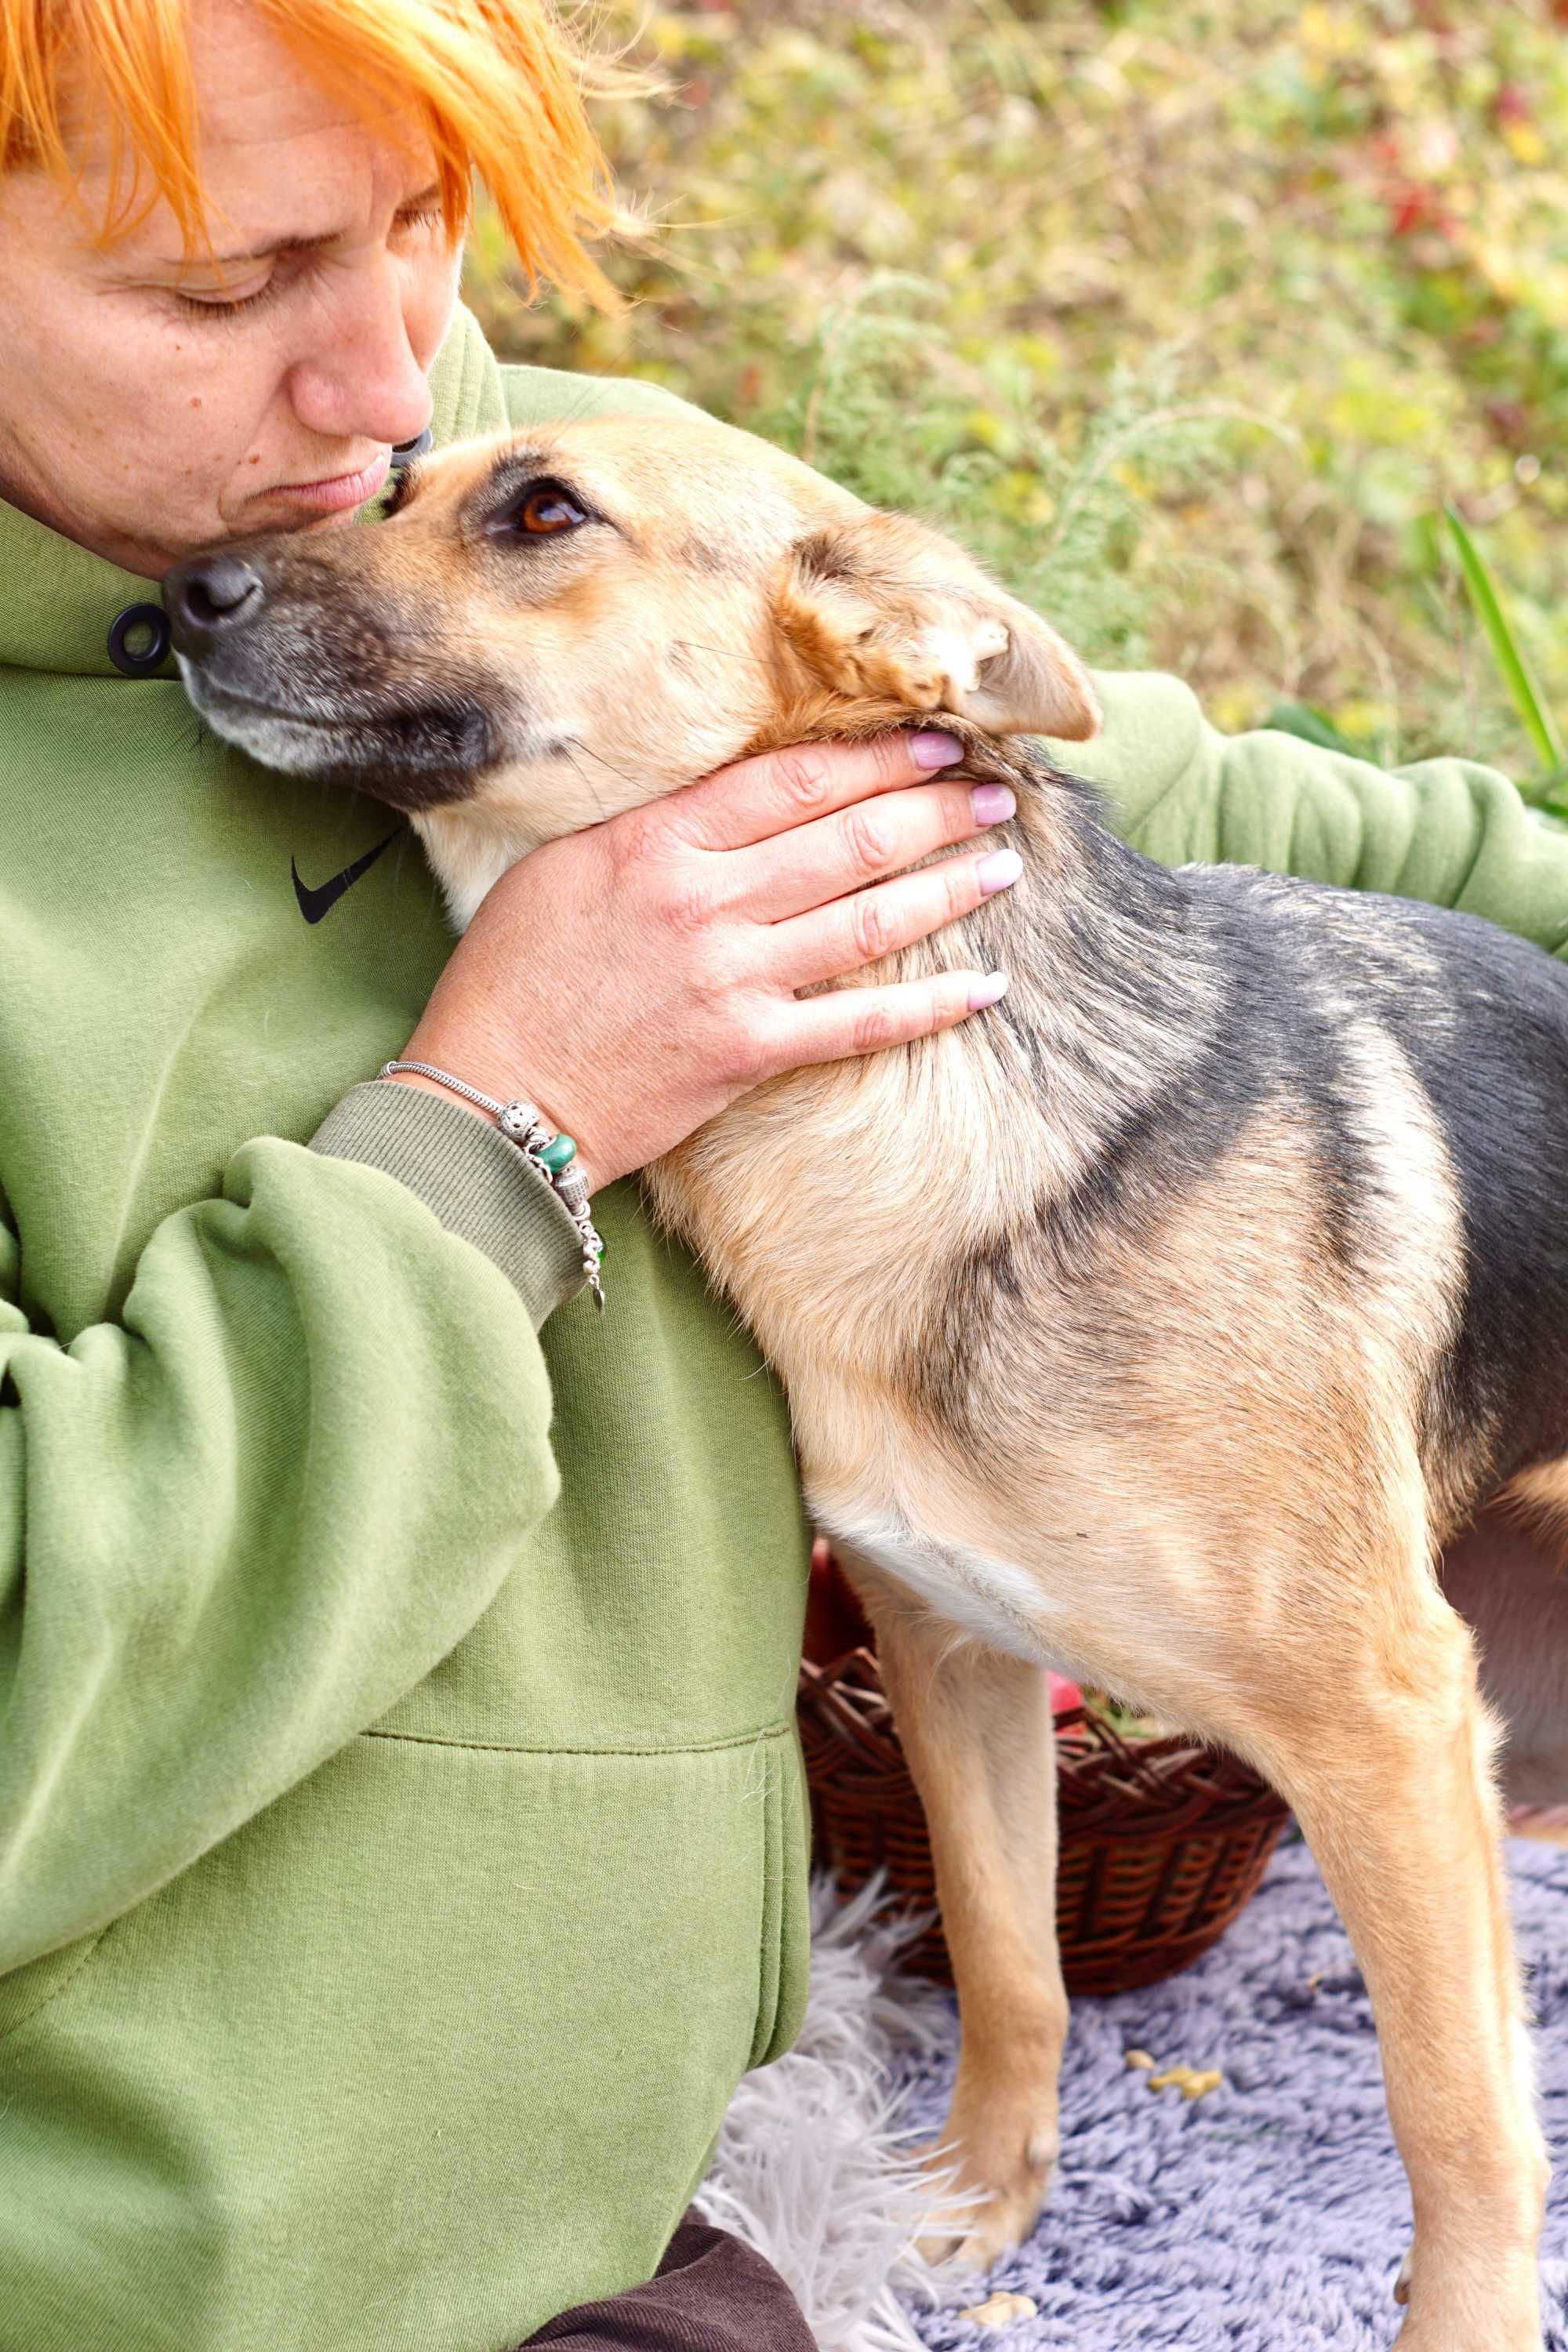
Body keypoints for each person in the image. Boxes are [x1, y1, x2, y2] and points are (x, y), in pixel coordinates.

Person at [0, 5, 1563, 2350]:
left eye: (425, 231)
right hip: (219, 2273)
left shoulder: (589, 491)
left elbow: (1246, 809)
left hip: (693, 2181)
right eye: (225, 288)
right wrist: (498, 1118)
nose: (378, 388)